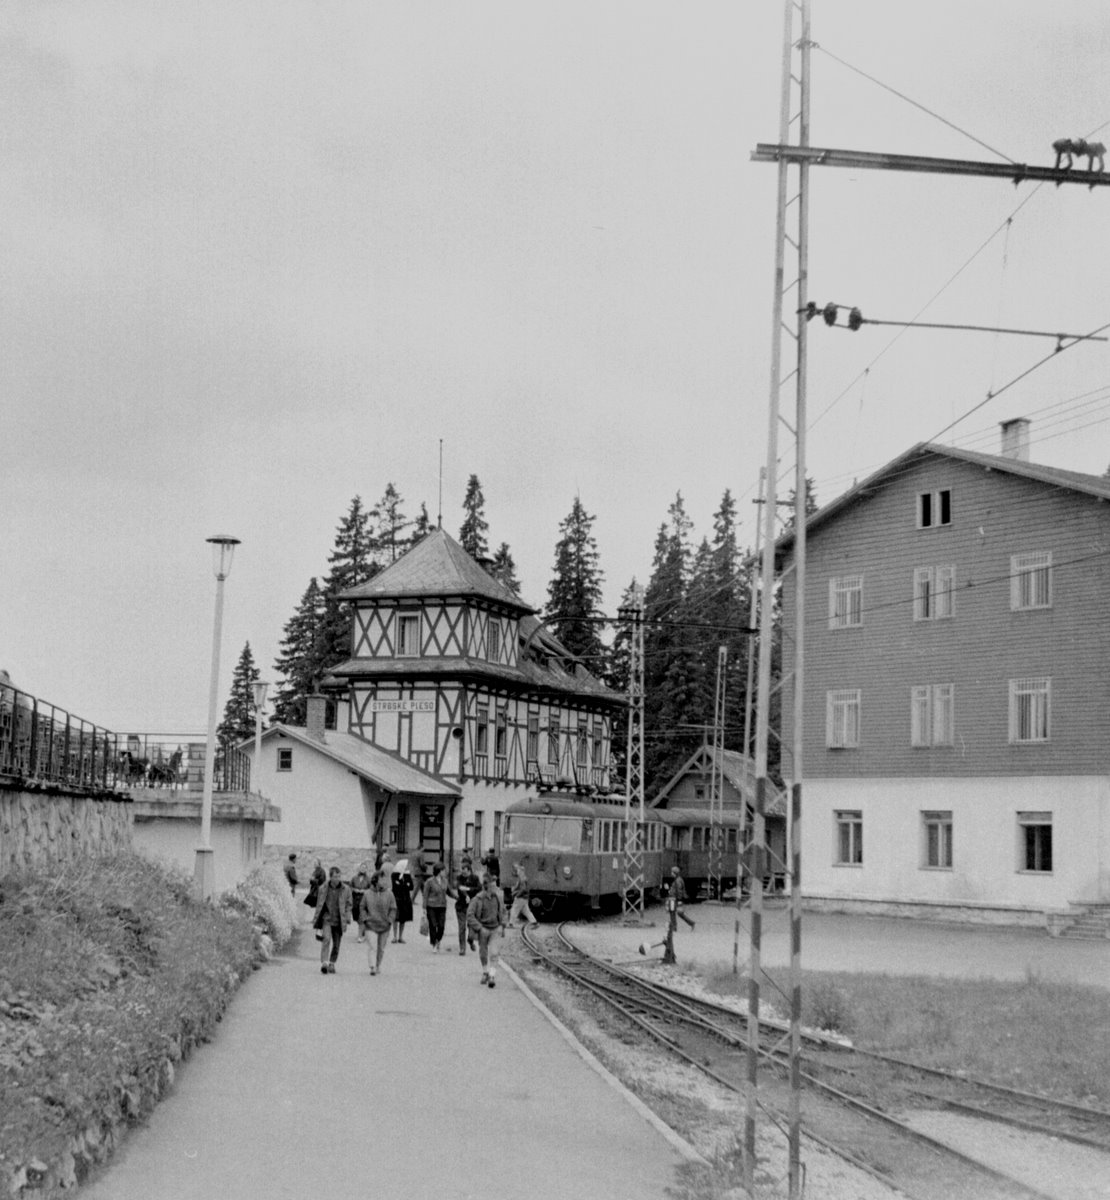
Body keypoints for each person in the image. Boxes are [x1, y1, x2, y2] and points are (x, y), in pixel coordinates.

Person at [466, 873, 508, 988]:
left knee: (494, 953)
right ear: (487, 886)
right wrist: (479, 928)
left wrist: (502, 925)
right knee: (483, 953)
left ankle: (492, 976)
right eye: (493, 885)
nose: (496, 887)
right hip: (483, 930)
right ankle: (485, 972)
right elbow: (470, 915)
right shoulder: (477, 899)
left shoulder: (498, 898)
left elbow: (504, 912)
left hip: (495, 929)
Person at [313, 866, 353, 974]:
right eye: (335, 876)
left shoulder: (346, 889)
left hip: (339, 920)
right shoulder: (323, 888)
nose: (338, 878)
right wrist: (316, 918)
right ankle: (324, 963)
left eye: (339, 876)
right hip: (327, 918)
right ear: (330, 877)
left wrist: (347, 916)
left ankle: (332, 962)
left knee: (336, 944)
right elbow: (319, 904)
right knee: (326, 939)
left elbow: (349, 904)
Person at [360, 872, 397, 975]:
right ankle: (372, 967)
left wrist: (390, 920)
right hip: (370, 925)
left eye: (385, 879)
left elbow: (393, 908)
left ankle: (378, 965)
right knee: (372, 947)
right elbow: (362, 907)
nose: (384, 881)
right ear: (375, 880)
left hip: (384, 925)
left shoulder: (389, 894)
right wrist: (365, 919)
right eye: (382, 879)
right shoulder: (367, 893)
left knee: (381, 948)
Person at [422, 863, 455, 952]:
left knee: (441, 926)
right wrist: (424, 908)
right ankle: (434, 944)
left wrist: (457, 898)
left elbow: (449, 892)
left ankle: (438, 939)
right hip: (431, 906)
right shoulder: (429, 881)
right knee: (433, 925)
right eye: (444, 870)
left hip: (442, 906)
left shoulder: (445, 881)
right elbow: (425, 895)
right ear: (439, 871)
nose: (445, 872)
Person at [453, 857, 482, 955]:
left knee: (471, 926)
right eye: (462, 871)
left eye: (465, 872)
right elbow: (459, 887)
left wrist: (468, 889)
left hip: (472, 907)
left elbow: (479, 889)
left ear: (469, 871)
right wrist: (466, 895)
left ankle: (470, 940)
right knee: (462, 927)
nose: (463, 874)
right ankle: (462, 948)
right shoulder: (459, 878)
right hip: (461, 906)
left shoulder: (475, 878)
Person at [391, 859, 414, 943]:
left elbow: (411, 887)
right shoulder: (394, 875)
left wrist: (402, 885)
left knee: (403, 919)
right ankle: (394, 936)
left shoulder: (407, 875)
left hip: (405, 899)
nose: (407, 867)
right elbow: (395, 887)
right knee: (395, 918)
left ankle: (400, 936)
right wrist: (405, 885)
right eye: (406, 866)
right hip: (397, 899)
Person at [508, 862, 538, 928]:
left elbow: (523, 889)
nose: (517, 871)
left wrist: (517, 895)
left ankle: (511, 924)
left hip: (520, 897)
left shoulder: (522, 879)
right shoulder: (524, 878)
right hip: (524, 898)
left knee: (514, 909)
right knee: (526, 911)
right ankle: (534, 923)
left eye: (518, 870)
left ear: (521, 871)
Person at [350, 861, 373, 943]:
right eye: (362, 867)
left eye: (364, 868)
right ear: (359, 868)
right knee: (356, 917)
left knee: (361, 918)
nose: (363, 869)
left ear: (366, 869)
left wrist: (365, 891)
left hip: (364, 900)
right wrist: (354, 889)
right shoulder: (354, 878)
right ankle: (363, 930)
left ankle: (360, 937)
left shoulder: (369, 879)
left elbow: (372, 889)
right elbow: (350, 887)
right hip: (355, 900)